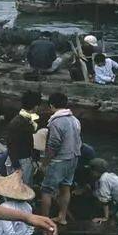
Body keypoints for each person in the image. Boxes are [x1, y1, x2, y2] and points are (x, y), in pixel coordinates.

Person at [38, 92, 81, 225]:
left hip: (60, 160)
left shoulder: (56, 122)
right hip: (74, 157)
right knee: (65, 187)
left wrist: (45, 163)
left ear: (51, 105)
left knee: (46, 190)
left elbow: (53, 145)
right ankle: (62, 217)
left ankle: (44, 221)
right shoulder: (74, 120)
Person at [5, 91, 41, 185]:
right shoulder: (20, 123)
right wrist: (17, 167)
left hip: (22, 158)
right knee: (22, 188)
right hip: (20, 161)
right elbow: (11, 146)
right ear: (36, 107)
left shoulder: (24, 120)